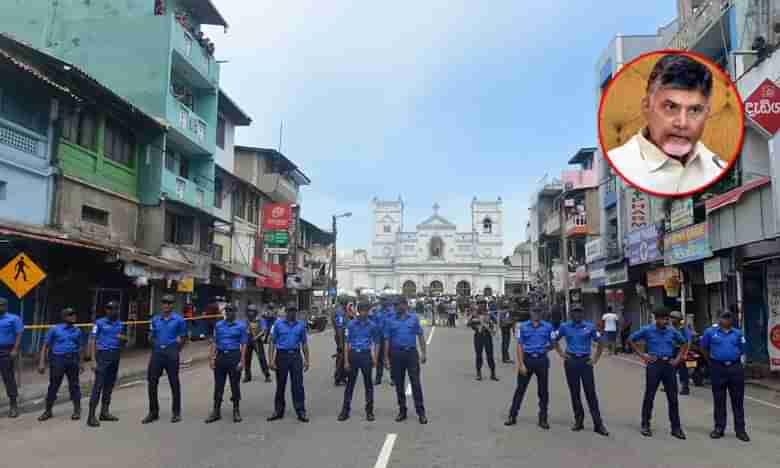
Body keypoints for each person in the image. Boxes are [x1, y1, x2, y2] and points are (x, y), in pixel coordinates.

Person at [607, 53, 726, 195]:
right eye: (670, 107)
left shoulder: (717, 167)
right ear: (646, 107)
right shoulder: (621, 163)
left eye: (694, 110)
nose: (682, 123)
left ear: (707, 113)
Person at [628, 305, 688, 439]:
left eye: (667, 319)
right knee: (650, 395)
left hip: (669, 365)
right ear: (656, 319)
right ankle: (645, 424)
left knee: (673, 398)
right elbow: (631, 339)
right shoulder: (647, 330)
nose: (666, 322)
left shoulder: (672, 331)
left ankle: (676, 428)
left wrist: (677, 359)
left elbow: (684, 343)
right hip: (654, 365)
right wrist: (643, 355)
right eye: (663, 319)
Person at [553, 306, 610, 436]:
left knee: (591, 393)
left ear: (582, 314)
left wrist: (595, 359)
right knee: (575, 392)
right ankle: (579, 421)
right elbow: (554, 339)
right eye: (575, 312)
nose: (577, 314)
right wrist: (561, 353)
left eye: (579, 312)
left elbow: (600, 341)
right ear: (571, 314)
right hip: (571, 361)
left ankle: (598, 424)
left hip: (585, 362)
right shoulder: (564, 327)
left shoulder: (590, 327)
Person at [700, 311, 750, 442]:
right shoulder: (710, 332)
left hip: (735, 368)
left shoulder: (738, 333)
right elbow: (703, 348)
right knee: (719, 400)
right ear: (719, 318)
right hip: (718, 368)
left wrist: (738, 362)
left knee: (738, 401)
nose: (727, 320)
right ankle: (719, 428)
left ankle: (740, 430)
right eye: (724, 317)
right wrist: (711, 362)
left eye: (729, 317)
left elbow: (743, 349)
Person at [505, 307, 554, 429]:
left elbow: (553, 343)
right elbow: (520, 345)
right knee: (520, 390)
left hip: (542, 361)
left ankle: (543, 418)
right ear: (530, 313)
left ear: (541, 313)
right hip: (527, 360)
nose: (536, 314)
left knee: (543, 391)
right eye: (534, 311)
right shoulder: (523, 327)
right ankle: (512, 416)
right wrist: (521, 364)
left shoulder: (548, 327)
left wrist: (543, 350)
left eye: (538, 311)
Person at [142, 294, 187, 424]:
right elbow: (152, 335)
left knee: (174, 382)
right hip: (157, 353)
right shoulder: (155, 319)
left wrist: (176, 350)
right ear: (162, 304)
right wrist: (154, 344)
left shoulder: (179, 320)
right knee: (152, 382)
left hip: (171, 353)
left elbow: (183, 338)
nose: (166, 305)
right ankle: (153, 412)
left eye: (169, 303)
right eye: (164, 302)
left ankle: (176, 412)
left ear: (172, 305)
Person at [384, 297, 427, 424]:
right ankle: (402, 410)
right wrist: (386, 358)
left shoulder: (413, 318)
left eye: (398, 305)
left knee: (415, 383)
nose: (396, 307)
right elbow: (387, 340)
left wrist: (423, 353)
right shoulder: (390, 320)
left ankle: (421, 412)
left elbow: (420, 335)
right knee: (399, 384)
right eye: (395, 305)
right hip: (396, 354)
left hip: (411, 354)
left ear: (405, 305)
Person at [38, 307, 83, 421]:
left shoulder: (77, 330)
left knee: (74, 385)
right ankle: (48, 411)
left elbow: (79, 347)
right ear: (64, 317)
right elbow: (45, 346)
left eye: (74, 314)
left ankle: (77, 410)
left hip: (72, 359)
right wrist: (42, 362)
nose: (73, 316)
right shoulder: (54, 329)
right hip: (58, 359)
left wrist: (81, 363)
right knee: (54, 385)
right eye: (70, 314)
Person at [205, 305, 248, 424]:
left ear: (235, 312)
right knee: (218, 385)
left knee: (235, 385)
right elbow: (215, 342)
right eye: (227, 311)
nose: (228, 313)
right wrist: (211, 358)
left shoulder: (241, 326)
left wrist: (242, 360)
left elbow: (244, 344)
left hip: (234, 356)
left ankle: (236, 410)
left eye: (231, 311)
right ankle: (216, 411)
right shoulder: (219, 325)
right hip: (221, 357)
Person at [267, 306, 311, 423]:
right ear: (286, 312)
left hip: (296, 356)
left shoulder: (301, 325)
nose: (292, 313)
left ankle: (301, 410)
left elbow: (304, 343)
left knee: (298, 385)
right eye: (289, 311)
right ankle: (278, 411)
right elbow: (272, 342)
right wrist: (270, 360)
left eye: (294, 311)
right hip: (281, 356)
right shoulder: (278, 324)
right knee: (280, 385)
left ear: (296, 312)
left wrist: (307, 360)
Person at [86, 301, 126, 427]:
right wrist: (92, 359)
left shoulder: (120, 324)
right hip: (102, 356)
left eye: (114, 309)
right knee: (98, 386)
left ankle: (104, 412)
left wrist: (123, 339)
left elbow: (124, 340)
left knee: (109, 385)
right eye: (109, 308)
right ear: (106, 310)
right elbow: (92, 340)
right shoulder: (99, 323)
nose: (112, 311)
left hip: (115, 356)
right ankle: (91, 416)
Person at [338, 302, 377, 422]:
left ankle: (369, 411)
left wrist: (374, 358)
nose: (365, 313)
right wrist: (346, 361)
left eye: (367, 311)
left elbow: (375, 342)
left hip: (365, 355)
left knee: (368, 384)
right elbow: (346, 343)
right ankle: (345, 411)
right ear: (359, 311)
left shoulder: (372, 325)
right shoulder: (351, 325)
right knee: (350, 384)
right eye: (363, 311)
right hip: (354, 354)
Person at [0, 297, 23, 418]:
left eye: (1, 305)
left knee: (8, 378)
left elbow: (19, 334)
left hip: (6, 351)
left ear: (5, 306)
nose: (0, 307)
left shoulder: (14, 318)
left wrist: (14, 349)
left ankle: (13, 406)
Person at [468, 302, 499, 382]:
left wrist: (493, 329)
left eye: (483, 304)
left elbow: (496, 322)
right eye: (480, 304)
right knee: (479, 356)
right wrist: (475, 323)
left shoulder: (489, 314)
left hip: (487, 336)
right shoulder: (474, 314)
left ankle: (493, 373)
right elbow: (468, 323)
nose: (482, 305)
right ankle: (478, 373)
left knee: (490, 356)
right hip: (478, 336)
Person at [243, 304, 271, 383]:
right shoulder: (246, 321)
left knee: (261, 358)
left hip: (257, 341)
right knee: (247, 359)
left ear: (255, 312)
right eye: (249, 311)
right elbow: (243, 330)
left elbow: (264, 330)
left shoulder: (260, 320)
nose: (250, 313)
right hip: (248, 341)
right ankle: (247, 376)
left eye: (252, 311)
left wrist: (257, 337)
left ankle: (267, 375)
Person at [669, 311, 693, 395]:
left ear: (678, 319)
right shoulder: (670, 328)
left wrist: (685, 353)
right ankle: (669, 387)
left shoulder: (683, 329)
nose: (671, 319)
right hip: (672, 351)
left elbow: (689, 341)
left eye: (673, 318)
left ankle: (685, 388)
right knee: (670, 370)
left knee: (683, 371)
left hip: (681, 350)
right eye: (671, 317)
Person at [373, 296, 394, 386]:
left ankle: (393, 378)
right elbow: (374, 324)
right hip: (379, 337)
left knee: (391, 358)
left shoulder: (392, 312)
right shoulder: (377, 312)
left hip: (390, 338)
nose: (383, 302)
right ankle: (378, 378)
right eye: (382, 300)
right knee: (379, 359)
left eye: (385, 300)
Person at [333, 302, 347, 386]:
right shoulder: (340, 312)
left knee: (342, 357)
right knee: (341, 357)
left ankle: (342, 376)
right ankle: (338, 377)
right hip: (341, 337)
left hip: (342, 337)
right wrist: (341, 344)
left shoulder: (342, 311)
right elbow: (340, 328)